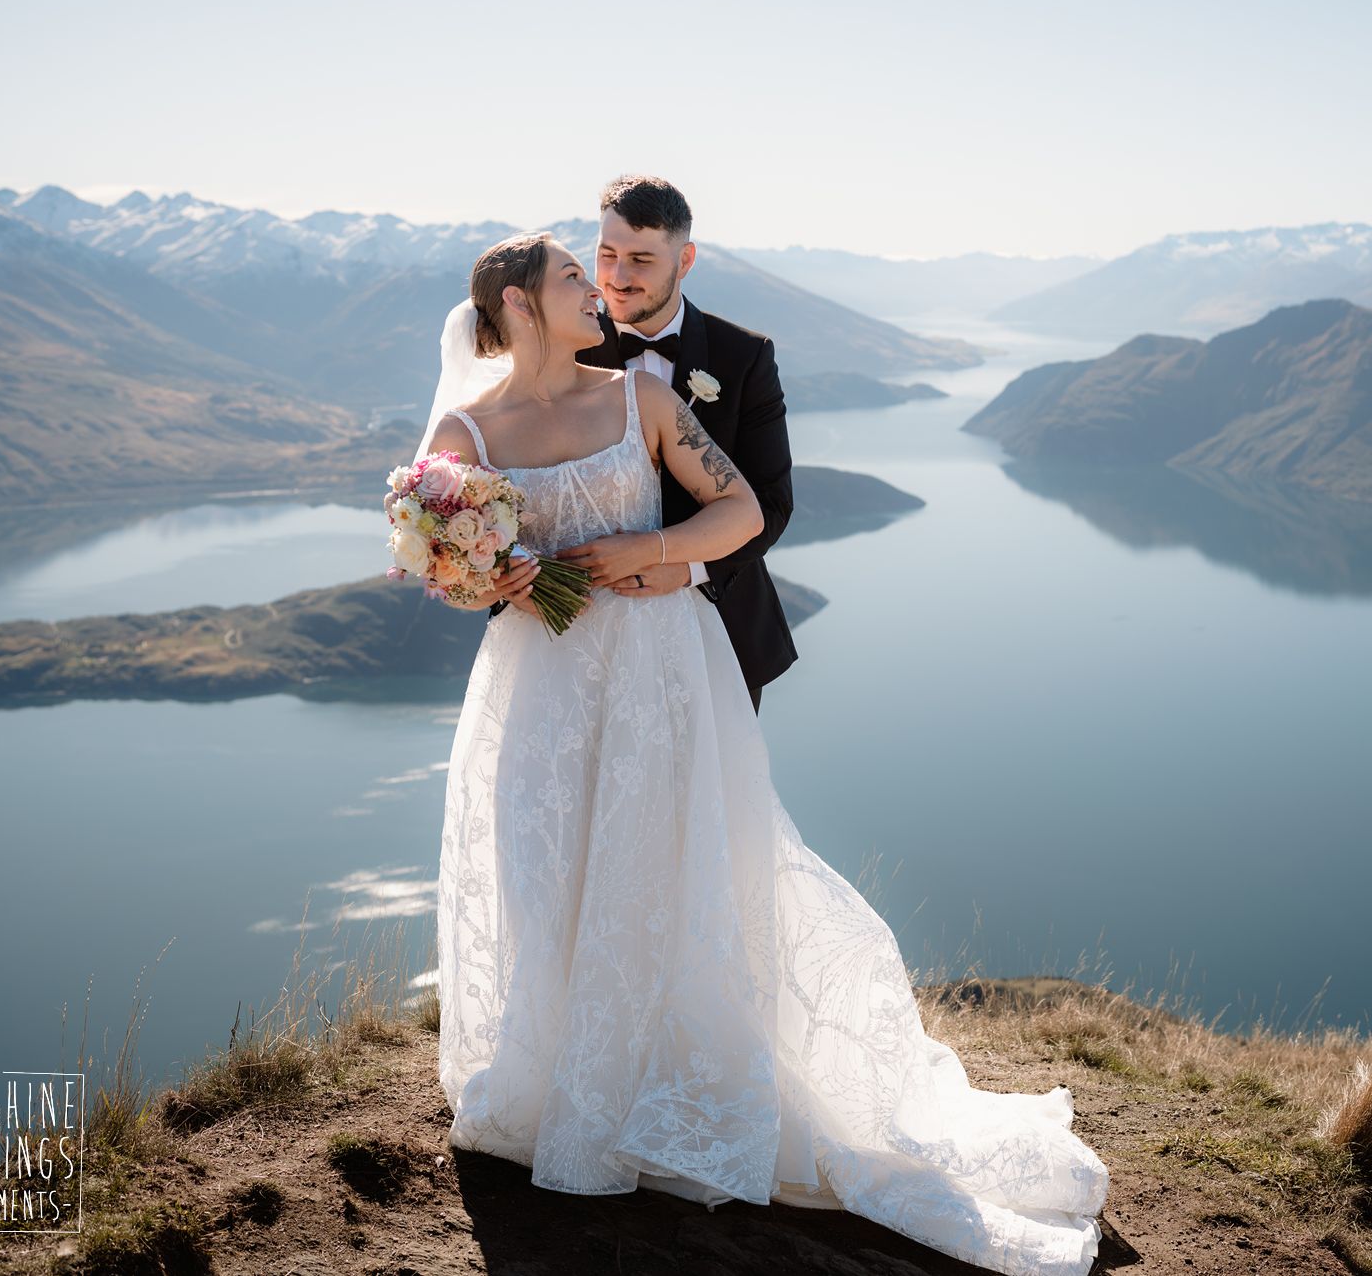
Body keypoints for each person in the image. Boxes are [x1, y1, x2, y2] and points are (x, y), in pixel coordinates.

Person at [419, 229, 1110, 1276]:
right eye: (570, 275)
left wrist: (649, 551)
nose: (592, 285)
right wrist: (488, 577)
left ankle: (663, 1080)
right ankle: (564, 1077)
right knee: (542, 871)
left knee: (667, 868)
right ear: (518, 306)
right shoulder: (464, 427)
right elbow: (443, 555)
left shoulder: (640, 398)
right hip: (542, 685)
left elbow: (738, 508)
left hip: (658, 670)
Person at [486, 175, 795, 718]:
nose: (617, 279)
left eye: (642, 260)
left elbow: (769, 505)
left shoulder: (744, 356)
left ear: (686, 258)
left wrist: (684, 566)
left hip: (718, 630)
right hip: (566, 643)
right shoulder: (557, 343)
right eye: (606, 255)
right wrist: (507, 576)